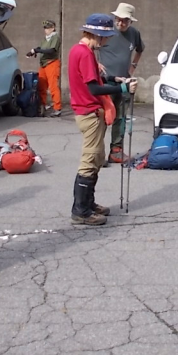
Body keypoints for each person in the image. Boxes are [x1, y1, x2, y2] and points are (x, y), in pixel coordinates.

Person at [68, 14, 137, 225]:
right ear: (96, 34)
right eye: (105, 37)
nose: (106, 41)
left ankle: (88, 204)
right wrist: (122, 87)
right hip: (90, 112)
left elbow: (91, 79)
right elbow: (93, 88)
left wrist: (112, 79)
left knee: (97, 158)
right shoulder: (86, 54)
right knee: (89, 160)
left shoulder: (77, 50)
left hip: (86, 111)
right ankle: (81, 211)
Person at [98, 3, 144, 163]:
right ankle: (98, 154)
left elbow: (140, 50)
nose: (120, 23)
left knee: (121, 117)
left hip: (124, 81)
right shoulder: (105, 31)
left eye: (125, 20)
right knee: (103, 117)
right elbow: (89, 47)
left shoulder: (134, 34)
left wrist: (132, 68)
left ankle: (116, 151)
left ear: (131, 21)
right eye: (118, 19)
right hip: (106, 83)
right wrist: (95, 64)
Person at [26, 19, 62, 117]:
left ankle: (57, 108)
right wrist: (33, 52)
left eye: (48, 28)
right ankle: (42, 106)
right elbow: (41, 47)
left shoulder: (55, 37)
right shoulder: (45, 39)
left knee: (53, 86)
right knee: (41, 86)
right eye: (45, 28)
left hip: (52, 63)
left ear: (53, 28)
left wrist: (38, 50)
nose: (46, 30)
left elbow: (51, 50)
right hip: (43, 64)